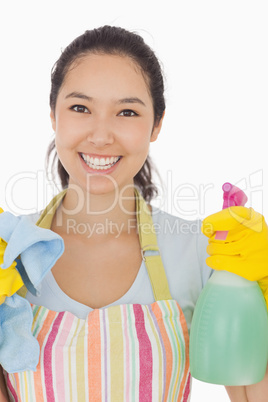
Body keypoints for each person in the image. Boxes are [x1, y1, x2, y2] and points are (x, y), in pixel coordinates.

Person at [0, 25, 268, 401]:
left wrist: (259, 293)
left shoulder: (204, 253)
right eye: (80, 108)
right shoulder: (9, 255)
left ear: (156, 124)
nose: (101, 135)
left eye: (127, 112)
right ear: (52, 115)